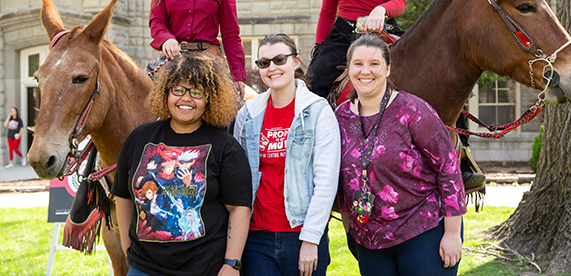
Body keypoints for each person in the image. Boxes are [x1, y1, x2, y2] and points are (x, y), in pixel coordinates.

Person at [335, 35, 466, 276]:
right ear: (349, 69)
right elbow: (342, 179)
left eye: (374, 64)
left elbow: (448, 170)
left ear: (388, 69)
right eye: (358, 64)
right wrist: (349, 230)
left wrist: (451, 234)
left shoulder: (413, 111)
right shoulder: (339, 117)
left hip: (423, 232)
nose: (366, 71)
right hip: (369, 241)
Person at [112, 54, 252, 276]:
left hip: (205, 268)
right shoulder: (140, 137)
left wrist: (231, 264)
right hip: (144, 268)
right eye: (178, 90)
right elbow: (123, 195)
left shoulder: (225, 147)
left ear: (210, 98)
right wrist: (128, 247)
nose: (186, 98)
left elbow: (239, 209)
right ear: (166, 93)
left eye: (196, 92)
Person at [233, 34, 340, 276]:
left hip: (301, 234)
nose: (272, 68)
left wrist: (311, 239)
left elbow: (326, 180)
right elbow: (237, 178)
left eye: (280, 59)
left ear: (296, 62)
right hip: (257, 237)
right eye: (263, 63)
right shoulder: (247, 115)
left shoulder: (317, 112)